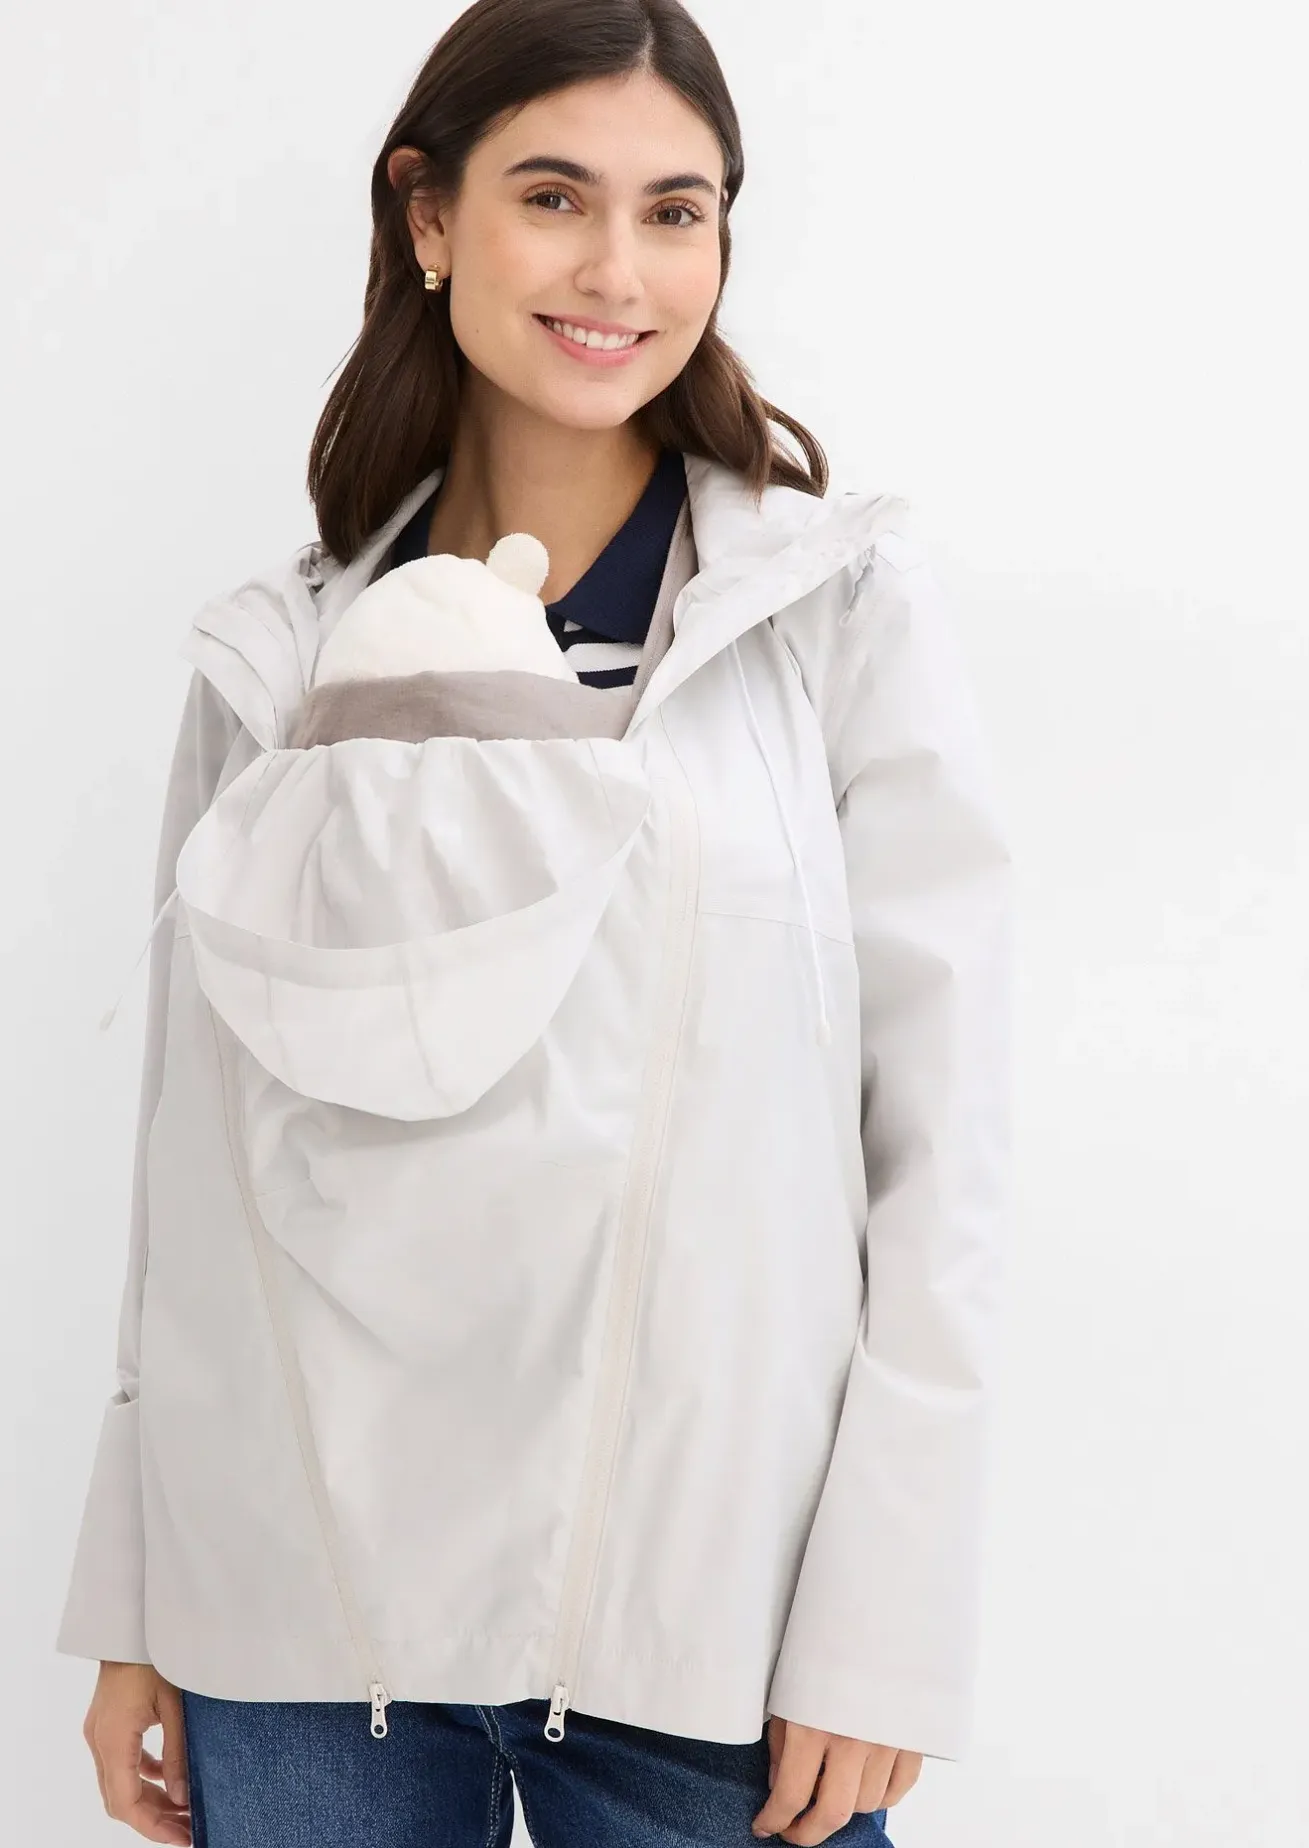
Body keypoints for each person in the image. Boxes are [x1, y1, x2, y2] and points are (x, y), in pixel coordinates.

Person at [56, 1, 1015, 1843]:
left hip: (709, 1627)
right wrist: (141, 1598)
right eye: (555, 197)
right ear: (429, 215)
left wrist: (888, 1617)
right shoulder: (281, 651)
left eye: (675, 211)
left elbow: (942, 1145)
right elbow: (191, 1154)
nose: (617, 272)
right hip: (302, 1615)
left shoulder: (826, 615)